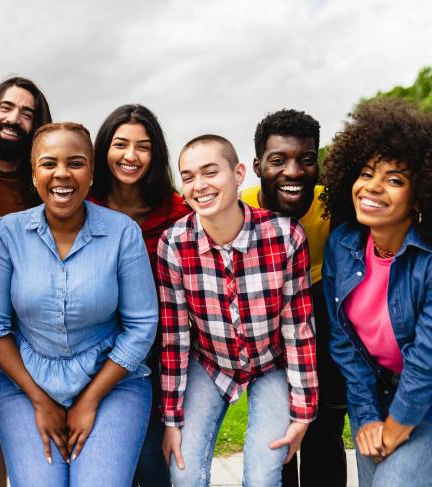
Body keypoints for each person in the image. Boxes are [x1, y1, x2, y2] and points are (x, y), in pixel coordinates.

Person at [0, 122, 158, 486]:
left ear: (92, 173)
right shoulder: (8, 233)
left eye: (75, 163)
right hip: (25, 383)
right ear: (34, 172)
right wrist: (41, 401)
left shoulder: (122, 232)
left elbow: (142, 325)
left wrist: (89, 401)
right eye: (49, 164)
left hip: (110, 381)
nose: (62, 174)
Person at [159, 134, 318, 486]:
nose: (199, 185)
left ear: (239, 173)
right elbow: (175, 338)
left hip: (270, 362)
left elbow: (299, 329)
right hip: (210, 361)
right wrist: (171, 421)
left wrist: (303, 412)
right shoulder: (173, 243)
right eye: (187, 177)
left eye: (210, 172)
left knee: (262, 475)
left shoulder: (285, 236)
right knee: (183, 473)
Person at [320, 99, 432, 486]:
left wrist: (398, 426)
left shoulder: (429, 261)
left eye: (395, 180)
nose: (373, 187)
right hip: (378, 391)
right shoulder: (343, 244)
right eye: (366, 173)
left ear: (419, 198)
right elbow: (343, 341)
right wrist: (367, 415)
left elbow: (426, 357)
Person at [240, 109, 347, 487]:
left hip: (322, 309)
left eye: (306, 159)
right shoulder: (240, 209)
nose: (294, 171)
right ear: (257, 166)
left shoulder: (334, 206)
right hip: (266, 317)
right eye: (278, 160)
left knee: (323, 433)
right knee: (276, 435)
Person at [90, 104, 190, 486]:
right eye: (121, 144)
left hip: (160, 349)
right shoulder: (86, 207)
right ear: (104, 149)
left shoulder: (177, 212)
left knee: (151, 456)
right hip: (97, 349)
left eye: (143, 147)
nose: (131, 156)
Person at [0, 75, 52, 487]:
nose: (13, 119)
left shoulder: (44, 183)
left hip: (31, 322)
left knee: (35, 418)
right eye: (6, 107)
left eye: (26, 113)